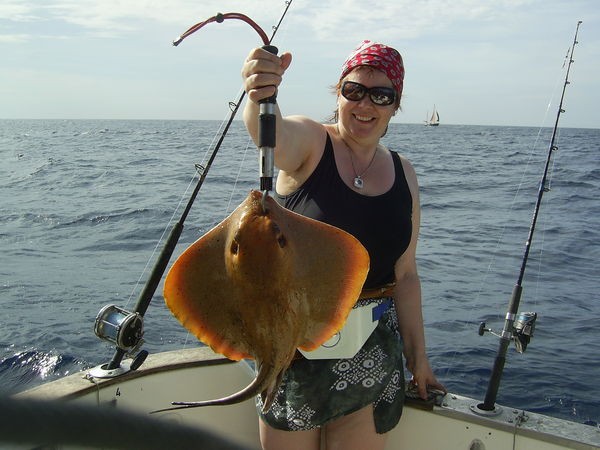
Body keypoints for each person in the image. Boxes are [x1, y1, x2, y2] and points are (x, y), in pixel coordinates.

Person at [241, 40, 446, 450]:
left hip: (372, 351)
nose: (365, 104)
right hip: (294, 347)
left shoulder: (404, 172)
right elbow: (271, 134)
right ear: (338, 93)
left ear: (395, 105)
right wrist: (259, 94)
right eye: (354, 90)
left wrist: (418, 358)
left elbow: (406, 276)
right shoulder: (311, 143)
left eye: (381, 95)